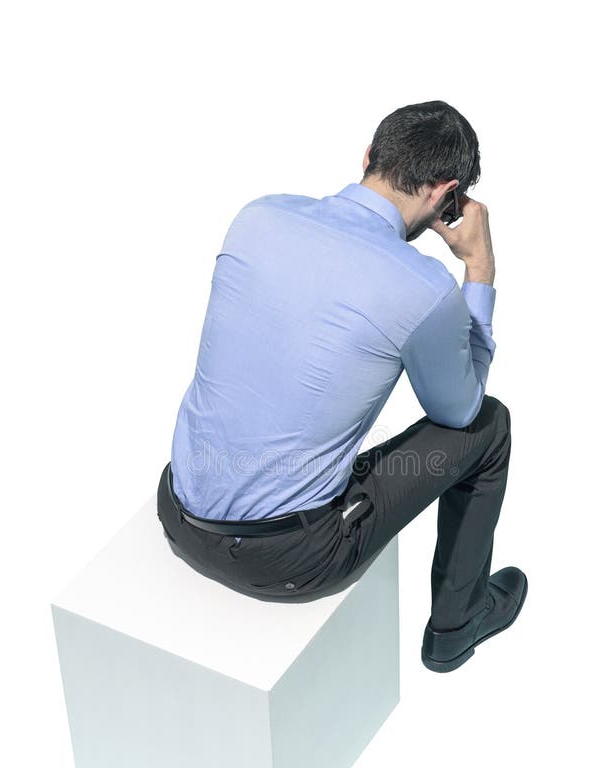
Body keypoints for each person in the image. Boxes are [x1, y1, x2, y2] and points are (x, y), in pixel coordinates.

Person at [156, 99, 528, 673]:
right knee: (491, 425)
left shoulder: (257, 214)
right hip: (288, 559)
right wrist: (479, 269)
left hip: (177, 513)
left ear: (368, 158)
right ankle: (458, 624)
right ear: (445, 195)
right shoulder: (423, 286)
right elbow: (460, 412)